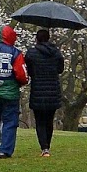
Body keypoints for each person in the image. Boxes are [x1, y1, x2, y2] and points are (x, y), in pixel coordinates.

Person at [0, 25, 28, 158]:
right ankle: (5, 149)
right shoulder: (15, 53)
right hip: (10, 94)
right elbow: (22, 75)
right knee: (10, 121)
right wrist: (20, 83)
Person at [23, 28, 64, 157]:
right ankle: (48, 146)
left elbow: (29, 71)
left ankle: (44, 147)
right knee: (49, 120)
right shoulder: (56, 53)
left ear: (37, 38)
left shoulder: (31, 53)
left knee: (40, 120)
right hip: (53, 90)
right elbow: (60, 69)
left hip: (38, 90)